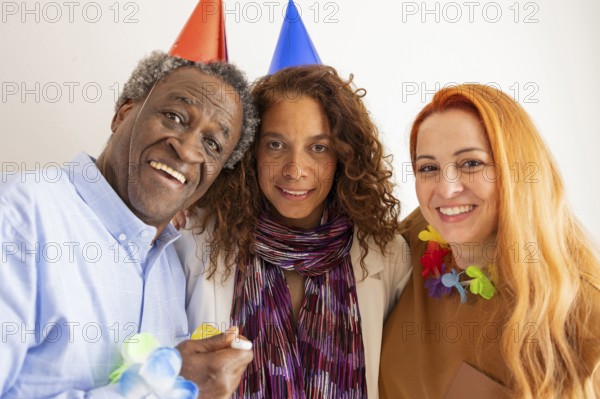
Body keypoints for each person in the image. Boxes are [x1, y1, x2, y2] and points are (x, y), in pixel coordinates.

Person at [0, 50, 258, 398]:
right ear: (123, 114)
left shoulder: (172, 265)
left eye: (212, 144)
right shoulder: (20, 213)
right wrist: (164, 388)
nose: (187, 150)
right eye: (175, 117)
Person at [176, 64, 412, 398]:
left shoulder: (387, 256)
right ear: (250, 152)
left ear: (343, 155)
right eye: (276, 145)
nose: (295, 169)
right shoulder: (194, 238)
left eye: (318, 148)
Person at [379, 84, 600, 398]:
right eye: (428, 168)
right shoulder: (414, 239)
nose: (447, 189)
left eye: (471, 163)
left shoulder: (584, 317)